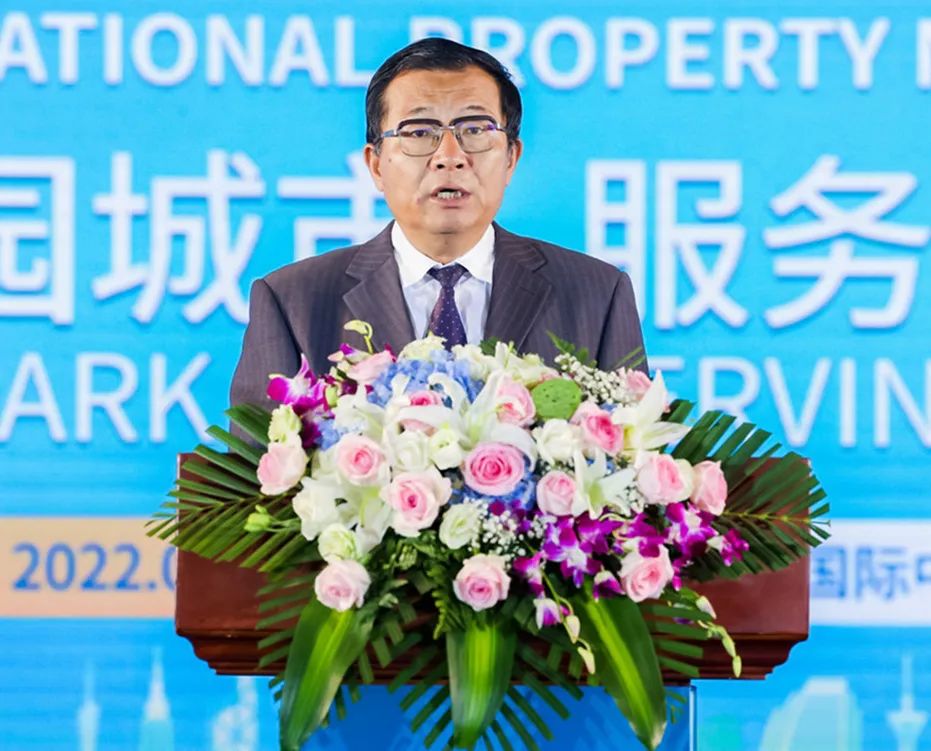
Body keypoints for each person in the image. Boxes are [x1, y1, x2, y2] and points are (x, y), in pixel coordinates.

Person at [230, 38, 646, 408]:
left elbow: (635, 455)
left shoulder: (597, 294)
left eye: (475, 129)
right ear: (376, 165)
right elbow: (256, 468)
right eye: (418, 132)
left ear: (511, 158)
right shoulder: (294, 302)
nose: (450, 156)